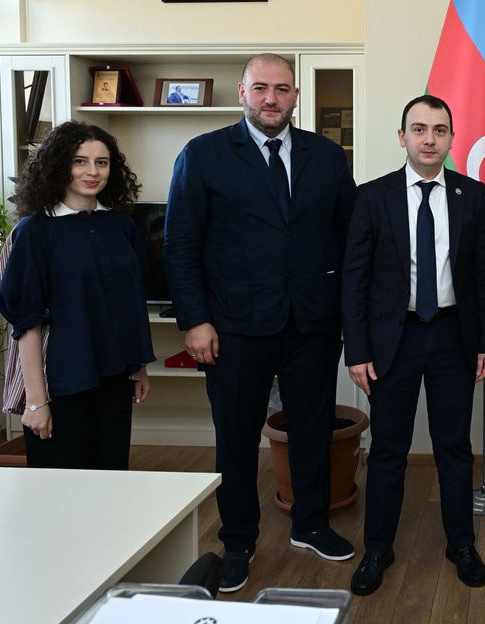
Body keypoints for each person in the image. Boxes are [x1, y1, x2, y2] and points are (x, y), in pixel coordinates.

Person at [165, 52, 357, 594]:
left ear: (296, 96)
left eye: (282, 88)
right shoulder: (203, 154)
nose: (271, 98)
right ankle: (238, 541)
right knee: (236, 435)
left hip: (312, 322)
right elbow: (180, 243)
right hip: (233, 325)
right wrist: (195, 321)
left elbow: (348, 238)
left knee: (313, 427)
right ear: (242, 92)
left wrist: (347, 314)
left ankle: (311, 524)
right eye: (261, 88)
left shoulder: (327, 156)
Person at [341, 95, 485, 595]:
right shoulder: (373, 196)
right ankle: (377, 549)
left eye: (439, 130)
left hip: (455, 336)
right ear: (402, 137)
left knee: (454, 448)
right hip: (394, 340)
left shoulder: (472, 194)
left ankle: (462, 544)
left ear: (452, 138)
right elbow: (354, 278)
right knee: (388, 449)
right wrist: (357, 350)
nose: (429, 139)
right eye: (419, 129)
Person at [0, 121, 152, 469]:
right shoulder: (34, 232)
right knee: (60, 489)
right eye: (79, 161)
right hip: (60, 382)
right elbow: (26, 321)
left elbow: (130, 305)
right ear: (58, 165)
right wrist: (36, 400)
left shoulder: (123, 227)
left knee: (111, 479)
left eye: (102, 162)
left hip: (114, 379)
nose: (92, 172)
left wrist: (139, 369)